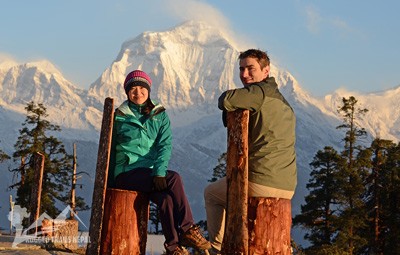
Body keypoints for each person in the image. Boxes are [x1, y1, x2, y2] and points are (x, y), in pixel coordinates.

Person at [204, 49, 297, 254]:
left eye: (250, 68)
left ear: (266, 71)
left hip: (262, 181)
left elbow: (227, 100)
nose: (244, 74)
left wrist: (226, 102)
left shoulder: (258, 93)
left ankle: (217, 249)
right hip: (287, 185)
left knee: (212, 194)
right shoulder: (285, 104)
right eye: (241, 69)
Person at [108, 70, 211, 255]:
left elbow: (165, 145)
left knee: (165, 200)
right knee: (175, 178)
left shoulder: (159, 115)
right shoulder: (118, 116)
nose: (137, 92)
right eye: (133, 89)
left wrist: (159, 171)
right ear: (127, 92)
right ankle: (188, 229)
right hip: (126, 173)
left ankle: (173, 247)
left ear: (148, 90)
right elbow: (109, 151)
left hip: (149, 173)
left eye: (142, 88)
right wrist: (109, 184)